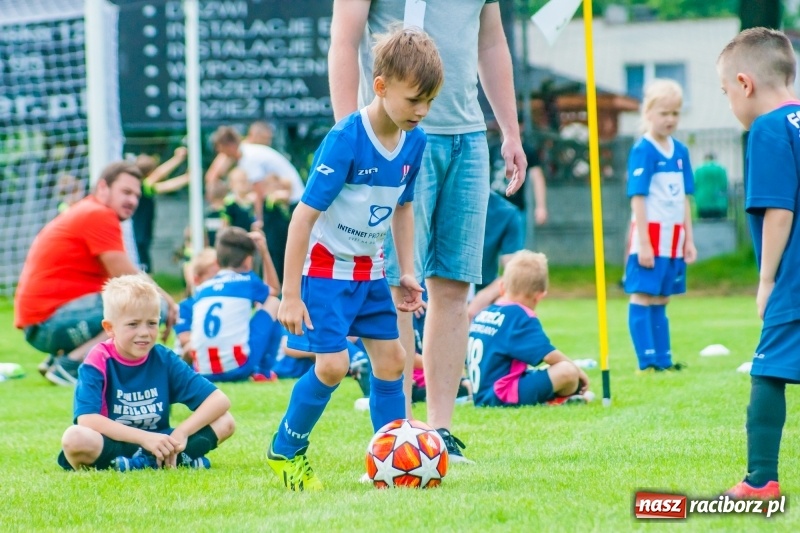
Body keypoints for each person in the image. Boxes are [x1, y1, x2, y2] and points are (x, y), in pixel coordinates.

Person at [330, 0, 527, 463]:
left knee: (455, 283)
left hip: (469, 135)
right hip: (395, 136)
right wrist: (349, 135)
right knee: (399, 285)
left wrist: (511, 132)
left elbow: (492, 41)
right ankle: (395, 431)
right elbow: (343, 39)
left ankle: (439, 431)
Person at [266, 27, 441, 491]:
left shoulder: (415, 141)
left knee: (392, 361)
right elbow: (302, 219)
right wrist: (288, 295)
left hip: (369, 271)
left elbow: (402, 208)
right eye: (413, 100)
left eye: (429, 101)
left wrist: (406, 270)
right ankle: (285, 448)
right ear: (381, 87)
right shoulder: (346, 139)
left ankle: (393, 460)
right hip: (324, 271)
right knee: (332, 366)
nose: (422, 111)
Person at [717, 27, 800, 500]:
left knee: (767, 371)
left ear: (745, 84)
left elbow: (779, 210)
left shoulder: (768, 129)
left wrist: (767, 280)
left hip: (794, 280)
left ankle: (761, 480)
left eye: (726, 91)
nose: (730, 101)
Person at [14, 161, 178, 387]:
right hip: (48, 323)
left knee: (137, 300)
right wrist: (167, 301)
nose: (132, 200)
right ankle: (72, 364)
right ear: (103, 188)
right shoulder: (98, 214)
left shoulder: (88, 210)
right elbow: (126, 277)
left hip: (41, 326)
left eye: (137, 196)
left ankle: (59, 360)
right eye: (126, 192)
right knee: (149, 301)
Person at [57, 274, 234, 471]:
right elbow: (87, 419)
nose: (144, 332)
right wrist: (144, 438)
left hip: (161, 441)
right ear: (109, 328)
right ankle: (177, 460)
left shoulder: (164, 358)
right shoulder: (98, 359)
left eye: (151, 323)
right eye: (133, 324)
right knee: (74, 438)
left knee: (225, 421)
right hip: (116, 443)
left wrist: (182, 433)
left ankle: (142, 463)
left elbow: (219, 400)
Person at [624, 79, 697, 373]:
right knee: (643, 293)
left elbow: (683, 200)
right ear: (648, 113)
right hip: (650, 235)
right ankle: (647, 360)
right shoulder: (643, 149)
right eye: (664, 113)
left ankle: (664, 360)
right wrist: (643, 241)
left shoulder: (680, 151)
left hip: (674, 237)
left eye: (675, 113)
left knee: (663, 296)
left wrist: (688, 240)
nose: (670, 119)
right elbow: (638, 197)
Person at [467, 251, 590, 407]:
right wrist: (578, 371)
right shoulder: (520, 316)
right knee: (567, 371)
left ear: (502, 287)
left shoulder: (484, 312)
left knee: (547, 370)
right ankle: (556, 400)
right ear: (539, 296)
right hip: (501, 394)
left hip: (481, 393)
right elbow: (549, 355)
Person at [190, 227, 282, 382]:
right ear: (247, 261)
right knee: (273, 302)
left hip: (201, 369)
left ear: (217, 261)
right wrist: (264, 253)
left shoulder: (202, 288)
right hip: (237, 367)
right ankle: (264, 372)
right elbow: (274, 290)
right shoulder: (247, 280)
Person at [467, 191, 525, 319]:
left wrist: (484, 296)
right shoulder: (435, 200)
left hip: (482, 289)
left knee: (508, 303)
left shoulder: (506, 212)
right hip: (434, 288)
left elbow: (514, 274)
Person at [132, 148, 190, 272]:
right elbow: (161, 176)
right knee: (144, 273)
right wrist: (177, 159)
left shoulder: (142, 188)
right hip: (139, 240)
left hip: (141, 239)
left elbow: (164, 183)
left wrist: (186, 178)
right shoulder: (141, 188)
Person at [174, 248, 220, 363]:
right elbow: (184, 338)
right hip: (190, 357)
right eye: (212, 279)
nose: (217, 283)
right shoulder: (186, 306)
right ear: (197, 280)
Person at [693, 152, 729, 219]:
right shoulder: (721, 170)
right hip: (719, 204)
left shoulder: (698, 170)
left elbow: (695, 185)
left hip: (702, 203)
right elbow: (724, 185)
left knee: (705, 226)